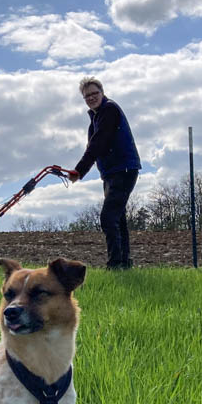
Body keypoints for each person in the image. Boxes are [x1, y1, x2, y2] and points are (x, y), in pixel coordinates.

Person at [67, 77, 142, 269]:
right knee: (118, 219)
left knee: (108, 218)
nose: (91, 98)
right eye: (87, 96)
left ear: (102, 92)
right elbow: (95, 145)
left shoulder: (109, 110)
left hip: (123, 169)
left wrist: (79, 170)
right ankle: (124, 263)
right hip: (111, 173)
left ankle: (115, 264)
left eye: (94, 93)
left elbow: (98, 143)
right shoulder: (95, 119)